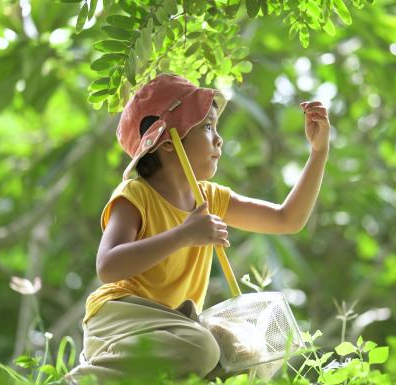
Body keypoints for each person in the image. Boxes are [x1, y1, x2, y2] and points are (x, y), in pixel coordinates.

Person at [65, 73, 330, 384]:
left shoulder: (211, 198)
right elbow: (108, 267)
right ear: (166, 141)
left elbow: (288, 219)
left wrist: (318, 153)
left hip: (173, 327)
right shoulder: (135, 196)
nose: (219, 139)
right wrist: (183, 235)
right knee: (203, 348)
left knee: (241, 349)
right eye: (207, 127)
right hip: (121, 317)